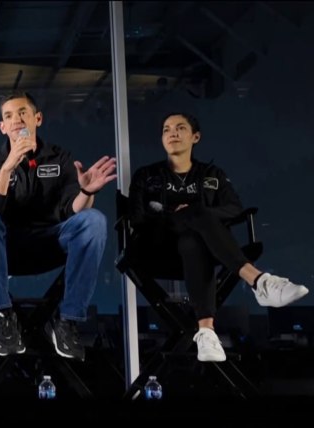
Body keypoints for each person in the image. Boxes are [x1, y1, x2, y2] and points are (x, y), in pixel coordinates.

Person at [129, 112, 309, 362]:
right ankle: (259, 281)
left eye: (180, 128)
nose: (172, 133)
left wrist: (198, 214)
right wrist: (181, 215)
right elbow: (137, 218)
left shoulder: (211, 174)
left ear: (196, 137)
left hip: (205, 248)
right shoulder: (146, 175)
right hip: (160, 246)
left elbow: (234, 209)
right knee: (196, 217)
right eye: (166, 129)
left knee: (193, 238)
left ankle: (206, 332)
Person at [0, 91, 116, 361]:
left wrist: (86, 191)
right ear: (2, 127)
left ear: (37, 119)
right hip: (6, 247)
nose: (16, 120)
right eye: (8, 116)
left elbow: (71, 211)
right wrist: (8, 166)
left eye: (22, 112)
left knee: (95, 219)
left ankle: (68, 321)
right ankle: (5, 316)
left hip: (51, 242)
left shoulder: (60, 157)